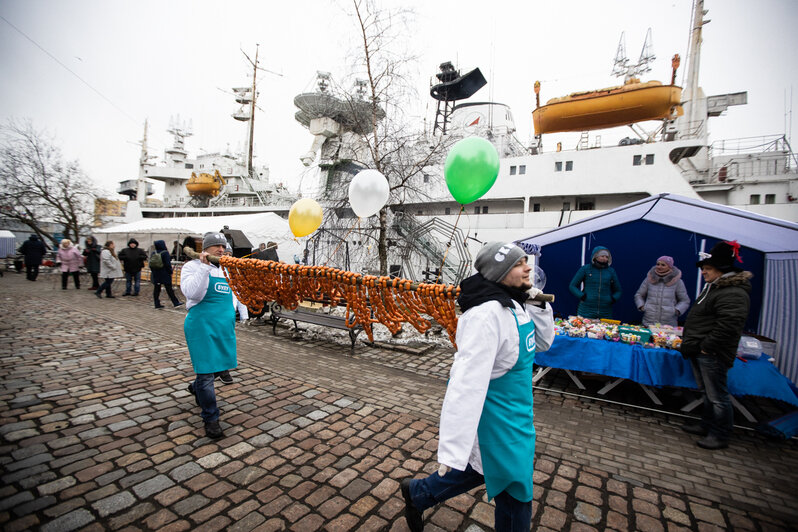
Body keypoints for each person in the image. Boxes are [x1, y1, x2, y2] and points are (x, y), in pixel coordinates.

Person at [401, 242, 554, 531]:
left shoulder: (516, 303)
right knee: (515, 490)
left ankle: (418, 493)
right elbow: (464, 383)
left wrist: (539, 304)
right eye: (519, 263)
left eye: (526, 261)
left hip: (519, 417)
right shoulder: (486, 315)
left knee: (483, 470)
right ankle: (421, 492)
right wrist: (451, 450)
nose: (528, 267)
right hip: (498, 422)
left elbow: (543, 344)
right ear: (501, 272)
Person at [680, 241, 752, 450]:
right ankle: (707, 425)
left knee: (717, 395)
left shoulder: (733, 293)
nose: (704, 272)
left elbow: (729, 325)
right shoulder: (716, 288)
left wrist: (706, 346)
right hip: (701, 349)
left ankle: (719, 434)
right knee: (707, 393)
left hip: (712, 352)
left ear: (721, 270)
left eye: (708, 269)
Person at [180, 232, 240, 438]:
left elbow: (233, 296)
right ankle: (211, 419)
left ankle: (195, 388)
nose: (221, 250)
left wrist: (236, 315)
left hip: (223, 326)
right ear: (206, 248)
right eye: (216, 246)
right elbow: (192, 293)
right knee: (206, 373)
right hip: (201, 326)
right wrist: (204, 267)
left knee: (223, 366)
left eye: (223, 247)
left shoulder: (227, 270)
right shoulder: (191, 267)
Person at [634, 256, 691, 327]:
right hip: (648, 322)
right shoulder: (649, 279)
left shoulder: (677, 282)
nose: (659, 267)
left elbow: (685, 300)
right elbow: (639, 295)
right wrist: (642, 306)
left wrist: (676, 310)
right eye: (658, 264)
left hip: (668, 325)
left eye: (663, 265)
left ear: (670, 267)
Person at [568, 246, 622, 319]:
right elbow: (572, 286)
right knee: (583, 329)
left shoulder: (611, 271)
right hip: (586, 310)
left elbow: (618, 290)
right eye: (602, 256)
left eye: (607, 257)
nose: (605, 258)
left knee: (605, 329)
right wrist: (582, 296)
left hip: (605, 311)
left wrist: (612, 299)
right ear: (595, 257)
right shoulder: (585, 269)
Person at [151, 239, 183, 309]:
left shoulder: (153, 252)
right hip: (164, 273)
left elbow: (151, 264)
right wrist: (170, 271)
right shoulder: (165, 253)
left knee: (156, 289)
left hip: (156, 273)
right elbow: (167, 264)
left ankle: (156, 303)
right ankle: (175, 302)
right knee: (169, 289)